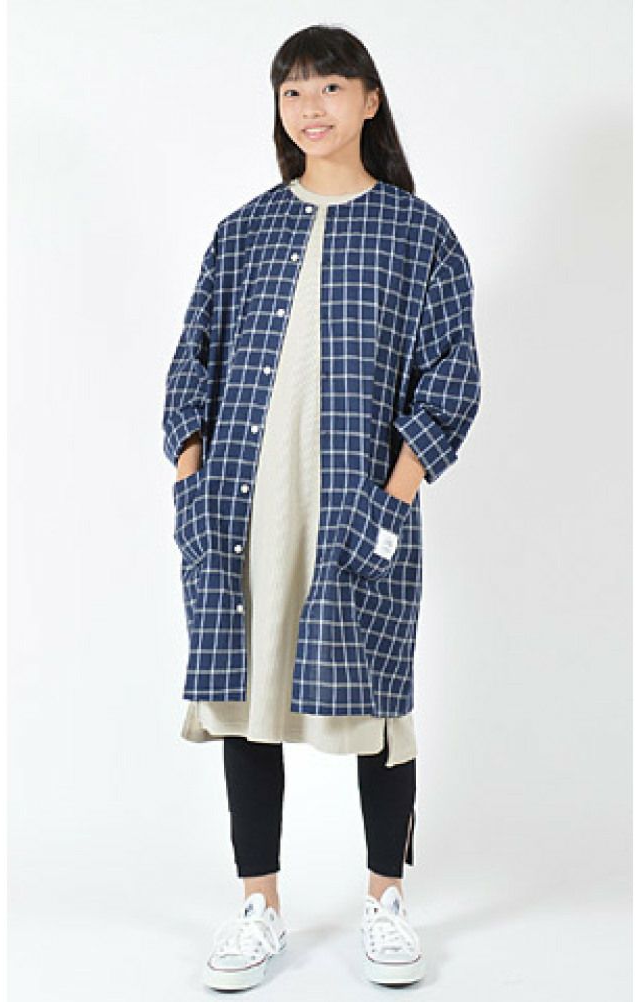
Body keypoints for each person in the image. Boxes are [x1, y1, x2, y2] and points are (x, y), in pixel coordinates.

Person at [162, 24, 482, 991]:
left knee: (376, 703)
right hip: (241, 508)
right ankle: (258, 906)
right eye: (293, 92)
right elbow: (192, 360)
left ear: (370, 100)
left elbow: (453, 376)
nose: (311, 108)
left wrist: (396, 492)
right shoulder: (245, 229)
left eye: (331, 87)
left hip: (358, 508)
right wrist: (189, 478)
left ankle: (386, 900)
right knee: (247, 700)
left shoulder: (418, 233)